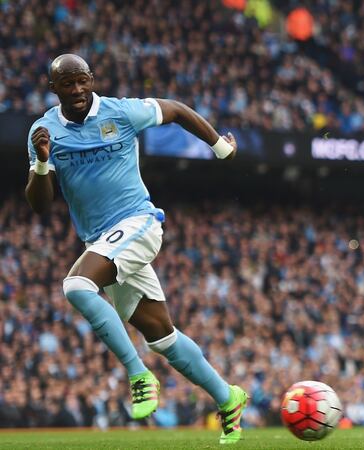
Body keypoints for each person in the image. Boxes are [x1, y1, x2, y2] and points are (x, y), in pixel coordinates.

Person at [25, 54, 248, 444]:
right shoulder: (44, 131)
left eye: (82, 81)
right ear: (52, 88)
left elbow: (177, 110)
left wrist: (220, 147)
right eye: (67, 83)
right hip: (102, 242)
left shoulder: (122, 112)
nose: (76, 90)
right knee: (162, 336)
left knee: (76, 286)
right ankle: (228, 397)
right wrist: (43, 164)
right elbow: (40, 204)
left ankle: (137, 374)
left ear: (92, 80)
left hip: (139, 223)